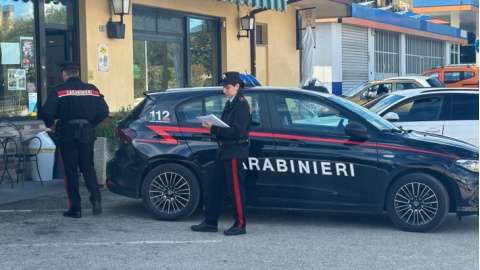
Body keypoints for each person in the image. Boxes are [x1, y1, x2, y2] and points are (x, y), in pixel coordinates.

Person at [41, 62, 109, 218]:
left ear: (65, 74)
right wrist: (91, 124)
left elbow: (46, 112)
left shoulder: (59, 90)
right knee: (88, 168)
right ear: (78, 73)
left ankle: (76, 209)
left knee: (70, 171)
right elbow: (104, 110)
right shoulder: (92, 89)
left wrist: (51, 125)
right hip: (87, 133)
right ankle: (96, 201)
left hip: (67, 134)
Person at [191, 71, 251, 236]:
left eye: (227, 87)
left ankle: (240, 224)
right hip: (224, 150)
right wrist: (214, 127)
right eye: (223, 87)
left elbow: (238, 132)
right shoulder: (231, 102)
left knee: (235, 190)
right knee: (214, 186)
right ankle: (210, 222)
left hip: (234, 152)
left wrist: (213, 128)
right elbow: (226, 127)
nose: (224, 90)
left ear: (237, 86)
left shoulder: (241, 105)